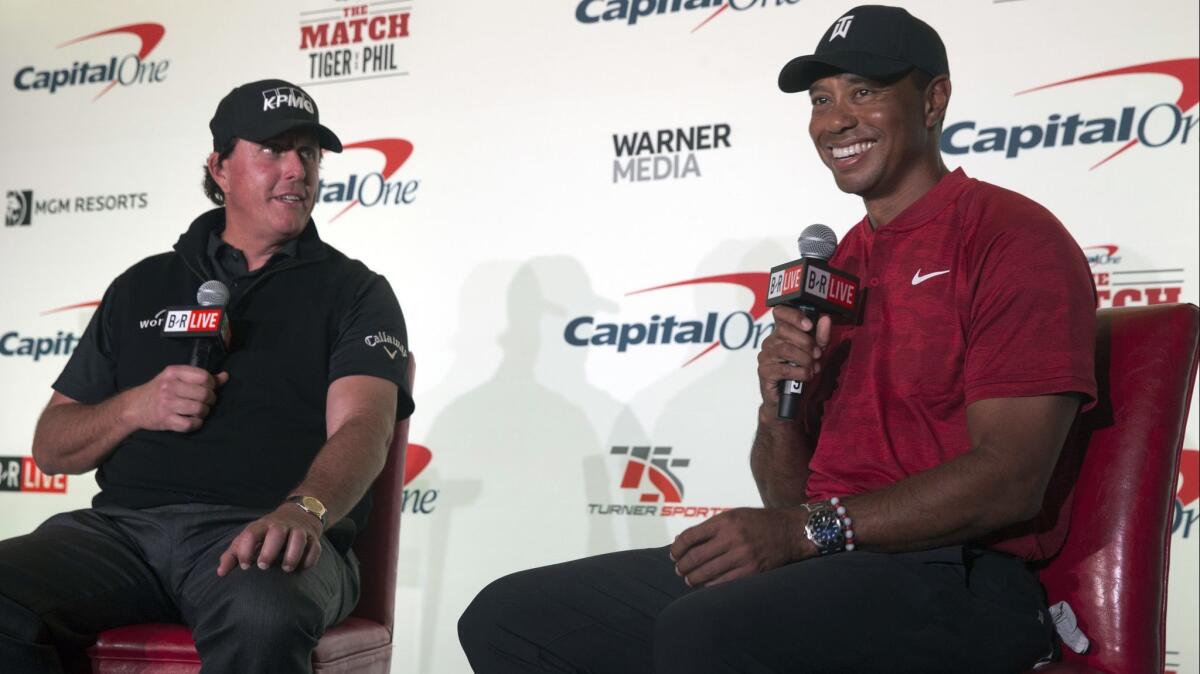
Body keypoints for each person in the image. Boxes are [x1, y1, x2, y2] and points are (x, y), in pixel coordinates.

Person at [457, 5, 1096, 673]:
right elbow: (790, 500)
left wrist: (804, 533)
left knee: (707, 630)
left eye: (865, 91)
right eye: (821, 99)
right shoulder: (834, 270)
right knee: (511, 619)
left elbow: (1011, 480)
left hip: (964, 577)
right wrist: (777, 410)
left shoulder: (1011, 238)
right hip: (835, 563)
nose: (836, 119)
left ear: (933, 99)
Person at [0, 79, 414, 673]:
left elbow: (364, 428)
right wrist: (134, 407)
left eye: (309, 153)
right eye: (273, 150)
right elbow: (52, 447)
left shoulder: (356, 293)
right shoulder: (141, 284)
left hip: (265, 536)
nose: (297, 170)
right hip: (122, 536)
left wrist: (305, 511)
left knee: (262, 614)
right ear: (219, 167)